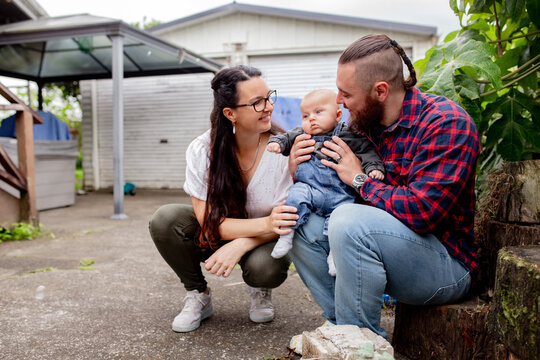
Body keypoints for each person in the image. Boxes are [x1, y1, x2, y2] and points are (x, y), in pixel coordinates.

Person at [288, 34, 481, 340]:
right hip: (380, 253)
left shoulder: (446, 123)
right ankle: (342, 325)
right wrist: (296, 166)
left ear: (380, 91)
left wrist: (359, 179)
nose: (338, 101)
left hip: (445, 266)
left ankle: (359, 343)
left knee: (348, 220)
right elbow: (325, 188)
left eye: (346, 93)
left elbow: (422, 213)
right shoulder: (362, 125)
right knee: (298, 223)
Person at [149, 65, 297, 333]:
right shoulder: (203, 150)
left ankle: (259, 288)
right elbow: (208, 221)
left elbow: (287, 220)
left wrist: (240, 244)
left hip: (266, 241)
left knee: (265, 269)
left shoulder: (285, 150)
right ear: (230, 113)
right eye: (257, 102)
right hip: (230, 231)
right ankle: (198, 293)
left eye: (269, 96)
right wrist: (264, 225)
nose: (269, 107)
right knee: (166, 220)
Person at [267, 89, 385, 277]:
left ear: (338, 115)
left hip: (339, 192)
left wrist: (373, 168)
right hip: (310, 187)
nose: (311, 119)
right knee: (295, 195)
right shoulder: (301, 134)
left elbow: (367, 152)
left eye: (318, 112)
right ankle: (286, 235)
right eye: (305, 115)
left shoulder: (350, 135)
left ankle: (334, 254)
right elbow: (285, 137)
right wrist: (278, 144)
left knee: (339, 219)